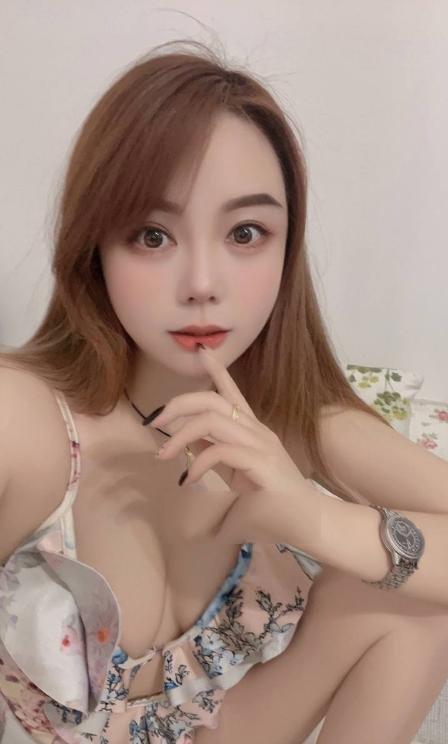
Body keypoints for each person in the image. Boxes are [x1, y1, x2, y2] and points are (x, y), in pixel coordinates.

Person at [1, 39, 448, 744]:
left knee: (413, 601)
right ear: (94, 247)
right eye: (152, 235)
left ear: (287, 247)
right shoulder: (27, 423)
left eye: (245, 232)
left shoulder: (288, 419)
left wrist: (315, 518)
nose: (203, 283)